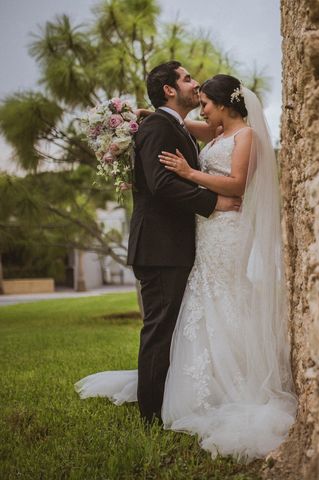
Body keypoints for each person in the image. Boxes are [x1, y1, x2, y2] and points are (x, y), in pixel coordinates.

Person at [76, 69, 296, 461]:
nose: (198, 95)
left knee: (217, 304)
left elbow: (235, 180)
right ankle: (155, 409)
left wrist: (193, 174)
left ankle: (224, 385)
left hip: (221, 233)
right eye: (188, 80)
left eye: (207, 101)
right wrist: (152, 114)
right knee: (173, 320)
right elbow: (164, 177)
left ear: (224, 105)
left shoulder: (235, 134)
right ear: (169, 89)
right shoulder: (187, 128)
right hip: (184, 238)